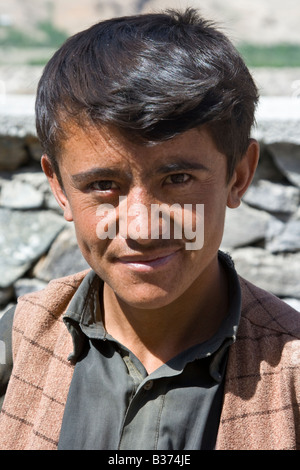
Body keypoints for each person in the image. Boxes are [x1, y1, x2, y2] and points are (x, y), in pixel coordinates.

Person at [0, 8, 299, 451]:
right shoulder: (16, 344)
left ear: (238, 176)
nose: (141, 227)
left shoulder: (291, 373)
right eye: (103, 186)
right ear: (60, 189)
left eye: (177, 180)